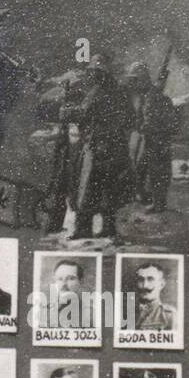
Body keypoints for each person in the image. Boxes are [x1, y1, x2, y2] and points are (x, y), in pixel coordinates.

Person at [58, 53, 131, 241]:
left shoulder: (98, 92)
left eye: (96, 72)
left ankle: (84, 229)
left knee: (87, 188)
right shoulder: (120, 92)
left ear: (102, 73)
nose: (94, 75)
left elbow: (83, 113)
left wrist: (65, 112)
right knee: (108, 189)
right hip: (115, 148)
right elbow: (130, 118)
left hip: (97, 147)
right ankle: (108, 229)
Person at [123, 60, 178, 213]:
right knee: (141, 169)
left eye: (136, 80)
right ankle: (145, 197)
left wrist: (147, 128)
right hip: (148, 139)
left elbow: (157, 120)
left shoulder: (155, 97)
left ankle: (159, 204)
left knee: (158, 172)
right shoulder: (146, 96)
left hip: (157, 140)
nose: (133, 84)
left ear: (142, 79)